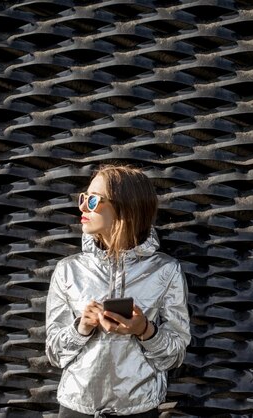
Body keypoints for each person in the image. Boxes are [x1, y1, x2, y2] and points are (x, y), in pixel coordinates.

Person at [45, 164, 191, 418]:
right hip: (76, 407)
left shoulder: (166, 271)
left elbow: (175, 355)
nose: (82, 207)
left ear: (125, 207)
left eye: (93, 200)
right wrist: (82, 326)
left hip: (139, 408)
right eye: (83, 198)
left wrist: (144, 330)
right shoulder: (68, 270)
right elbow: (55, 354)